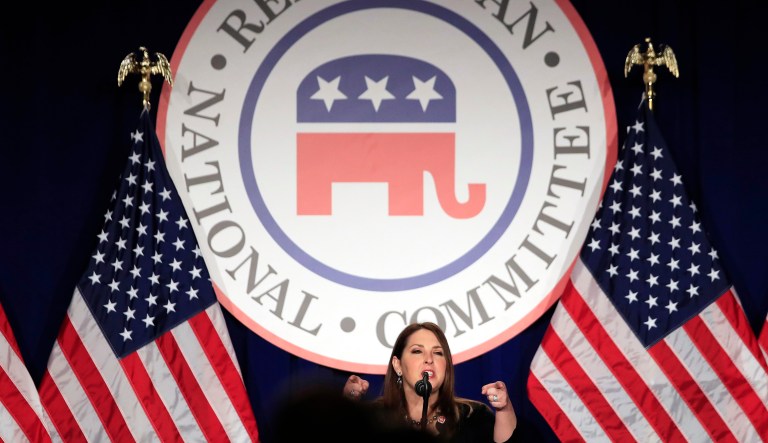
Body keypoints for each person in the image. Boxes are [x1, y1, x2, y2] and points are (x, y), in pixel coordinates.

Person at [343, 322, 517, 442]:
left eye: (438, 353)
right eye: (417, 351)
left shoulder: (473, 416)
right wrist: (346, 406)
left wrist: (504, 408)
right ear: (398, 365)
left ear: (446, 366)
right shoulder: (372, 419)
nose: (429, 359)